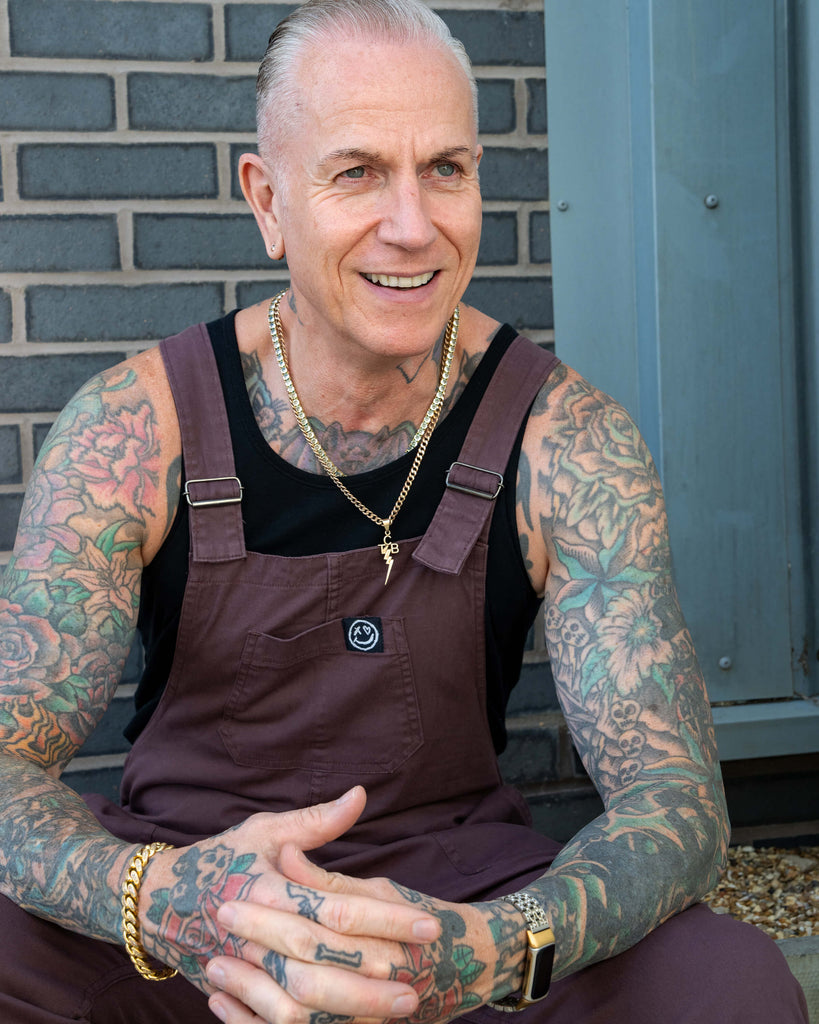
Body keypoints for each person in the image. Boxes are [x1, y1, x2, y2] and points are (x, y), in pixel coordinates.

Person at [0, 1, 808, 1021]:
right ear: (268, 199)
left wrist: (501, 947)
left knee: (726, 984)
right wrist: (156, 900)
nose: (414, 225)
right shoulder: (135, 431)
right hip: (195, 923)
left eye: (447, 170)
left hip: (455, 911)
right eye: (357, 172)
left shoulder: (565, 443)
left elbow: (677, 802)